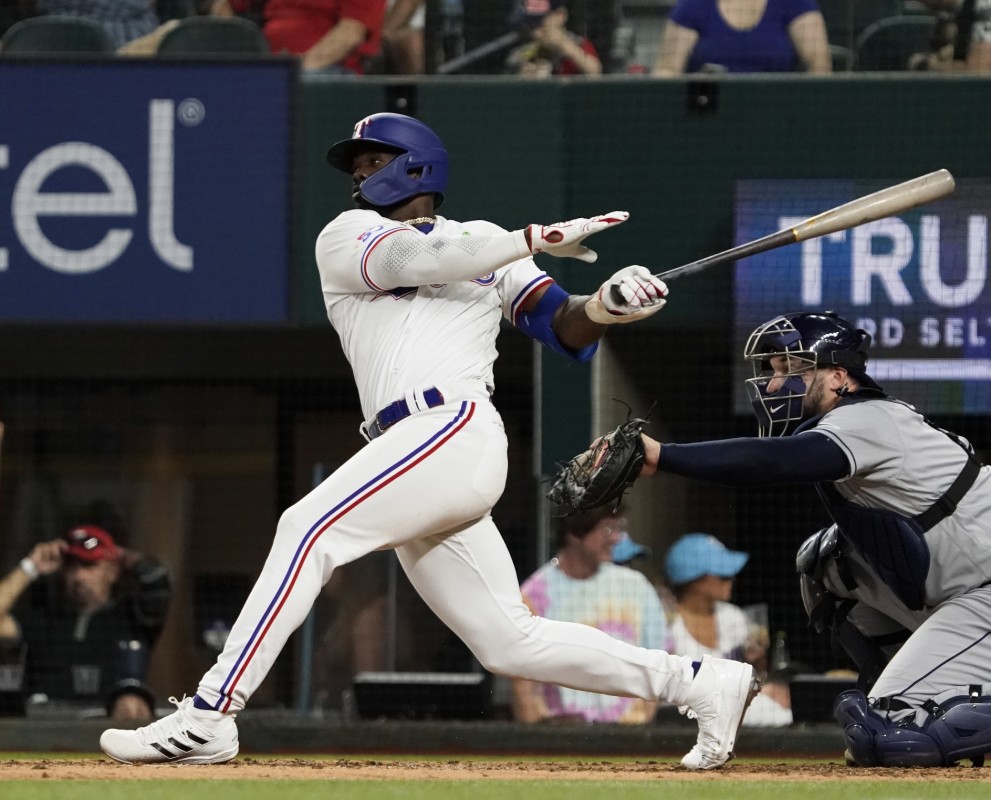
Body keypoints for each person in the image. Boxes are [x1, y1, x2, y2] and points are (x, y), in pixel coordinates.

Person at [99, 111, 759, 770]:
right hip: (410, 446)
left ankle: (212, 713)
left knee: (308, 530)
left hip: (452, 429)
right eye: (357, 164)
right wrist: (530, 238)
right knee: (508, 641)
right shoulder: (349, 235)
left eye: (373, 159)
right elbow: (414, 259)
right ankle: (700, 682)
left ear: (417, 162)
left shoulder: (489, 242)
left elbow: (563, 324)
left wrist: (609, 305)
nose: (360, 174)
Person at [625, 310, 991, 767]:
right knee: (826, 564)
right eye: (773, 370)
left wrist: (661, 456)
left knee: (891, 737)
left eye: (792, 368)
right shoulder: (854, 419)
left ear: (840, 376)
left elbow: (771, 463)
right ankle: (913, 694)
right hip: (968, 599)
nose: (775, 382)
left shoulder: (866, 419)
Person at [512, 508, 671, 724]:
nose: (616, 538)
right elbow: (523, 683)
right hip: (561, 737)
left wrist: (643, 725)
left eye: (618, 528)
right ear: (575, 533)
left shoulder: (636, 586)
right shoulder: (534, 594)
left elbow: (659, 664)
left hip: (629, 735)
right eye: (607, 529)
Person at [0, 524, 171, 720]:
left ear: (113, 572)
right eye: (71, 566)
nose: (78, 577)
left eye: (89, 565)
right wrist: (30, 567)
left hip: (107, 727)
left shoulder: (131, 617)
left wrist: (119, 554)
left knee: (132, 703)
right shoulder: (43, 619)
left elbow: (157, 579)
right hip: (46, 725)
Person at [665, 533, 792, 727]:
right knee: (780, 717)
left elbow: (753, 676)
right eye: (722, 574)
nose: (731, 578)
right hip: (683, 718)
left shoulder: (732, 617)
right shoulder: (668, 624)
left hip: (731, 709)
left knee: (787, 705)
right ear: (695, 580)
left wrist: (757, 664)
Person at [653, 0, 831, 75]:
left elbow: (820, 68)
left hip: (775, 117)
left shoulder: (794, 3)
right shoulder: (694, 5)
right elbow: (667, 70)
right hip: (707, 116)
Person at [210, 0, 386, 73]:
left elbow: (351, 32)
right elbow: (225, 6)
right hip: (268, 67)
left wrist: (294, 69)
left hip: (326, 70)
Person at [504, 0, 602, 77]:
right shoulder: (523, 50)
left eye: (540, 24)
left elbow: (595, 71)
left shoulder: (579, 44)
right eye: (530, 26)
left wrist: (564, 45)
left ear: (560, 15)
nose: (536, 33)